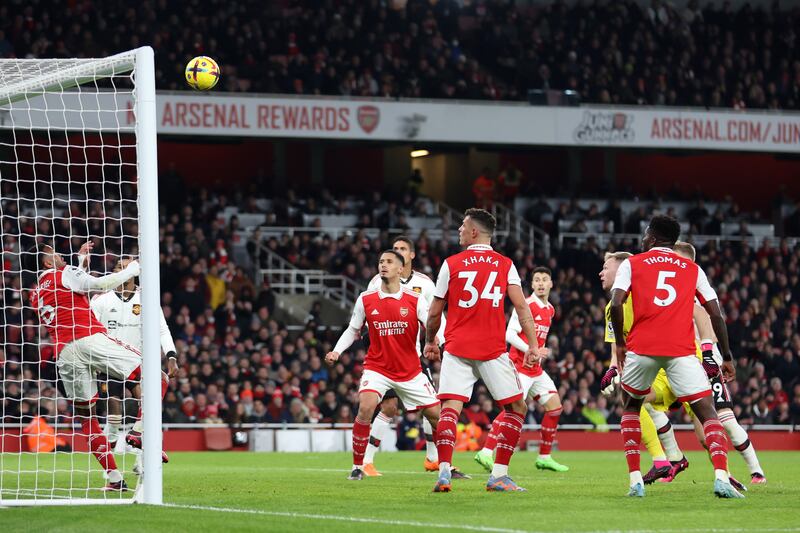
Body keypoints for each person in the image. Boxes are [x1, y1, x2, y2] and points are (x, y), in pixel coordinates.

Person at [609, 215, 743, 498]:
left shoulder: (633, 263)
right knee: (707, 412)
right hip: (680, 350)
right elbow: (715, 313)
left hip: (642, 349)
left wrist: (620, 343)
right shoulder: (692, 268)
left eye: (646, 234)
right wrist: (727, 356)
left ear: (654, 238)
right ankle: (721, 477)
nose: (643, 239)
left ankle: (635, 480)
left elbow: (617, 301)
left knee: (631, 407)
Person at [424, 208, 538, 493]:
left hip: (457, 347)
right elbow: (522, 308)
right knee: (516, 408)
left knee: (450, 408)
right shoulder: (505, 264)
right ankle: (498, 475)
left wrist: (429, 341)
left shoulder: (451, 264)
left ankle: (444, 472)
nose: (459, 230)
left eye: (463, 226)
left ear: (474, 231)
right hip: (491, 349)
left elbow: (435, 312)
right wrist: (534, 344)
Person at [26, 242, 141, 491]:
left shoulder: (34, 293)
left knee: (87, 419)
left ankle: (113, 479)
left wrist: (79, 265)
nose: (60, 256)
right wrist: (132, 269)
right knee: (153, 373)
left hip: (65, 352)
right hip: (89, 338)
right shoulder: (62, 273)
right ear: (47, 262)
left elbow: (66, 297)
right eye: (56, 255)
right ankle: (139, 432)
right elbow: (99, 286)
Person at [326, 250, 441, 481]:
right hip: (378, 368)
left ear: (401, 269)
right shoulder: (366, 298)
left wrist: (432, 341)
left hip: (410, 371)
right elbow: (353, 329)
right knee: (366, 407)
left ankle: (444, 465)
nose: (383, 265)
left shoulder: (415, 298)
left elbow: (431, 322)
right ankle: (358, 466)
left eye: (389, 262)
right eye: (380, 261)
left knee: (437, 417)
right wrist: (337, 351)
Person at [361, 236, 465, 477]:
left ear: (412, 255)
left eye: (402, 249)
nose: (398, 252)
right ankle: (366, 461)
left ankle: (433, 459)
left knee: (432, 407)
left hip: (413, 356)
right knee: (388, 407)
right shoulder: (376, 281)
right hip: (384, 358)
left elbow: (434, 314)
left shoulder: (425, 284)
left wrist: (445, 340)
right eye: (394, 248)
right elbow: (366, 313)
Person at [672, 242, 767, 485]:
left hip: (705, 359)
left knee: (725, 419)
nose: (672, 261)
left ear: (690, 262)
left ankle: (756, 471)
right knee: (701, 428)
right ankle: (720, 472)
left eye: (676, 257)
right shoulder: (671, 288)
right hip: (678, 360)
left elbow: (713, 327)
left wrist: (714, 355)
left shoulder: (697, 289)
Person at [599, 251, 689, 485]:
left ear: (620, 272)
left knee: (705, 414)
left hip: (673, 363)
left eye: (605, 267)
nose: (601, 272)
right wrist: (612, 370)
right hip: (649, 368)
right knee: (635, 402)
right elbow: (616, 347)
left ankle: (726, 472)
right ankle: (671, 459)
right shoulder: (611, 307)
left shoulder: (643, 297)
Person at [474, 266, 569, 473]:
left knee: (555, 408)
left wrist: (540, 354)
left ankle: (544, 457)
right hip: (518, 367)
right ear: (532, 284)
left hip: (535, 369)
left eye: (545, 279)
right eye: (537, 280)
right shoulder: (526, 304)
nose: (541, 283)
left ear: (552, 283)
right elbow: (509, 334)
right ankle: (486, 452)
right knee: (512, 410)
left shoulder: (550, 309)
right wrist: (531, 350)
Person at [90, 257, 179, 472]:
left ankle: (141, 459)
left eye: (128, 266)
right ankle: (111, 473)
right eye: (120, 267)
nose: (125, 270)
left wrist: (171, 355)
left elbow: (162, 329)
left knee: (150, 404)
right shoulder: (102, 300)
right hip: (109, 362)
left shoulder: (146, 299)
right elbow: (90, 329)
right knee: (114, 418)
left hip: (137, 362)